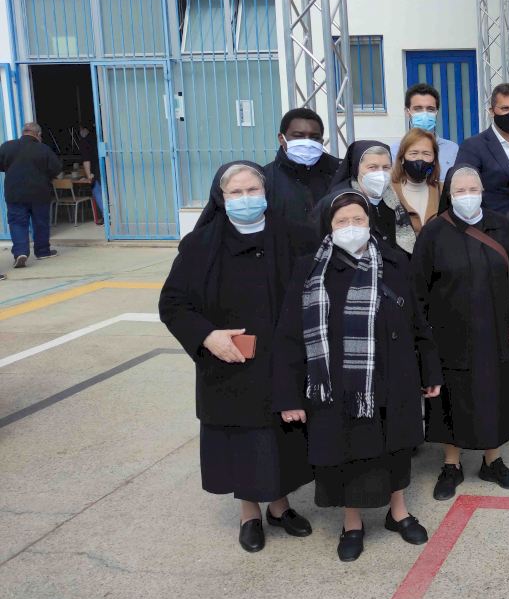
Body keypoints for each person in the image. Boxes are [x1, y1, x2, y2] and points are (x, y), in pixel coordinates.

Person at [273, 188, 442, 561]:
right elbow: (289, 336)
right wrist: (287, 395)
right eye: (342, 221)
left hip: (394, 377)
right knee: (349, 454)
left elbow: (418, 321)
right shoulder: (310, 270)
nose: (352, 226)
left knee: (396, 450)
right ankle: (352, 524)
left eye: (358, 219)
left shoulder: (395, 262)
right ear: (328, 226)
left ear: (370, 222)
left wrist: (429, 369)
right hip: (342, 386)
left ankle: (399, 513)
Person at [158, 162, 312, 553]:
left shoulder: (295, 237)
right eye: (236, 193)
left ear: (266, 193)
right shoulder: (200, 245)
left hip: (282, 359)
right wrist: (207, 336)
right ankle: (249, 514)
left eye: (252, 191)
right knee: (244, 441)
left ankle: (280, 507)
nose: (246, 199)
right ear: (221, 198)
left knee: (281, 437)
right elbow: (173, 302)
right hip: (230, 363)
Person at [413, 165, 509, 499]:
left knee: (495, 395)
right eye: (460, 190)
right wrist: (423, 337)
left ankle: (493, 460)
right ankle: (452, 464)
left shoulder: (501, 226)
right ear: (449, 194)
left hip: (496, 331)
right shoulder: (434, 232)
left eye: (473, 189)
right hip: (449, 334)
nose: (467, 196)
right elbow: (418, 290)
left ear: (483, 191)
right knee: (452, 399)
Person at [456, 83, 509, 215]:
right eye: (505, 108)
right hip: (493, 223)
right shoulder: (473, 146)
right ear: (491, 111)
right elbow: (464, 189)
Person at [262, 108, 339, 246]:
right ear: (281, 138)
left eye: (314, 137)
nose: (307, 143)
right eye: (298, 136)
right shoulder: (265, 179)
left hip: (332, 255)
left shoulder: (338, 173)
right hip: (284, 256)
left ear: (322, 140)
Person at [0, 122, 62, 270]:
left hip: (15, 193)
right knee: (40, 222)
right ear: (38, 134)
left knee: (17, 222)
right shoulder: (44, 149)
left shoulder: (7, 146)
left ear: (24, 132)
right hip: (39, 193)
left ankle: (20, 252)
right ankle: (42, 251)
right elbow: (56, 169)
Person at [331, 141, 413, 252]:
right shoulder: (342, 200)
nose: (381, 173)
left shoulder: (393, 199)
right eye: (372, 167)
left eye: (386, 167)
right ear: (356, 168)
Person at [389, 83, 458, 172]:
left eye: (430, 109)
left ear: (436, 112)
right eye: (418, 109)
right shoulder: (394, 151)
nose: (424, 114)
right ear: (407, 112)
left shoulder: (452, 149)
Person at [391, 128, 441, 243]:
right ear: (402, 158)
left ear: (434, 159)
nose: (420, 159)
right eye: (413, 153)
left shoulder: (443, 191)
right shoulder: (389, 191)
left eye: (426, 154)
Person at [77, 122, 104, 226]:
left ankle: (106, 216)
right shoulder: (100, 138)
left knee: (98, 192)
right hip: (107, 169)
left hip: (96, 172)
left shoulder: (85, 141)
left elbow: (86, 160)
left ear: (85, 129)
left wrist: (89, 176)